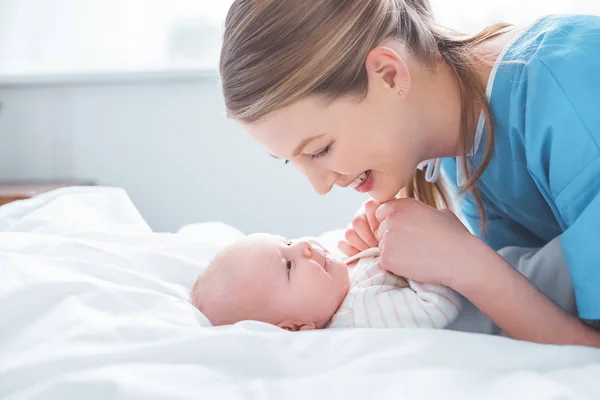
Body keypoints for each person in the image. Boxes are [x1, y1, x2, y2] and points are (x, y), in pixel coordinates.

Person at [218, 0, 600, 347]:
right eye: (291, 160)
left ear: (388, 75)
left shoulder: (570, 88)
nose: (320, 187)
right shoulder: (456, 146)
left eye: (321, 149)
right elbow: (541, 296)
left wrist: (467, 264)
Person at [191, 234, 461, 330]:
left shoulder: (336, 286)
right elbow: (438, 306)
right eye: (288, 265)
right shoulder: (358, 313)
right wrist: (415, 254)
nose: (303, 245)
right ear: (293, 329)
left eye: (287, 241)